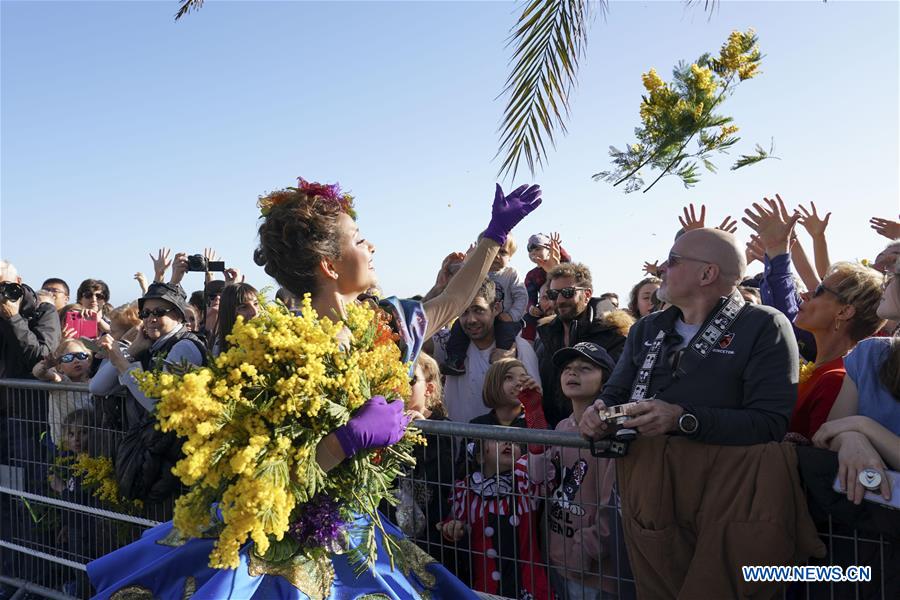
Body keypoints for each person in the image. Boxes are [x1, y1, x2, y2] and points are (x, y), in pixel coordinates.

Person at [86, 178, 541, 599]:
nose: (373, 246)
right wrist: (345, 441)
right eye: (360, 240)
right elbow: (262, 476)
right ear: (329, 264)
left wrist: (493, 235)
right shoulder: (274, 351)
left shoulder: (387, 326)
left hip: (358, 527)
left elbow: (454, 300)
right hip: (286, 543)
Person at [579, 229, 825, 600]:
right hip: (648, 484)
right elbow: (615, 392)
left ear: (707, 274)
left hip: (730, 493)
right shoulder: (648, 326)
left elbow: (770, 423)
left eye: (673, 260)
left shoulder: (764, 325)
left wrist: (682, 418)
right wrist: (597, 415)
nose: (662, 267)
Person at [89, 282, 207, 505]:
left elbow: (160, 405)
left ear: (179, 315)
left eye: (159, 312)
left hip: (177, 460)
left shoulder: (183, 347)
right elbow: (97, 387)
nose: (151, 318)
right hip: (154, 453)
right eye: (146, 313)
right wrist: (132, 351)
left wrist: (123, 364)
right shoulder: (148, 345)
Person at [521, 342, 621, 600]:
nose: (572, 373)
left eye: (585, 368)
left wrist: (582, 552)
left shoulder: (610, 436)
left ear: (605, 381)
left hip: (595, 574)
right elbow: (541, 480)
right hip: (556, 559)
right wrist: (534, 415)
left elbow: (612, 509)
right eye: (567, 368)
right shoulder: (563, 427)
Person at [439, 436, 549, 599]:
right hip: (488, 587)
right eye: (496, 440)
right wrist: (452, 528)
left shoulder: (526, 482)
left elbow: (539, 460)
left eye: (515, 442)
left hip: (529, 585)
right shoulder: (467, 490)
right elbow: (452, 522)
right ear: (480, 456)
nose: (509, 442)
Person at [432, 279, 541, 424]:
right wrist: (438, 289)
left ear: (496, 308)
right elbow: (411, 335)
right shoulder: (449, 344)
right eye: (464, 312)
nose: (471, 319)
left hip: (502, 444)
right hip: (457, 444)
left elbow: (534, 401)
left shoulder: (519, 349)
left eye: (478, 310)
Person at [536, 262, 630, 427]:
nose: (559, 300)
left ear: (587, 295)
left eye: (567, 292)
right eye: (552, 294)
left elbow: (622, 392)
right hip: (554, 436)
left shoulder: (614, 336)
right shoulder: (545, 337)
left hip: (601, 436)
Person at [443, 236, 527, 374]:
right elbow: (462, 279)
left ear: (511, 256)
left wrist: (512, 315)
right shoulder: (479, 271)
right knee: (458, 327)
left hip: (505, 318)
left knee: (505, 334)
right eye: (493, 251)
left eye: (503, 252)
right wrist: (468, 262)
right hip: (483, 316)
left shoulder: (511, 274)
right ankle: (456, 359)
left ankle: (502, 361)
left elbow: (521, 297)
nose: (497, 256)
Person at [32, 338, 94, 449]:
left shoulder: (96, 383)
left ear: (88, 361)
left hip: (90, 445)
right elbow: (38, 373)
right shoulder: (61, 381)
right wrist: (45, 366)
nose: (76, 361)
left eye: (81, 356)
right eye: (68, 358)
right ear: (59, 366)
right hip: (63, 446)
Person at [522, 232, 570, 341]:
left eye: (538, 249)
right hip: (544, 307)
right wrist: (531, 307)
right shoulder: (532, 275)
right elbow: (530, 295)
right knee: (528, 319)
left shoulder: (560, 265)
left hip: (562, 304)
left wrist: (558, 248)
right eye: (530, 250)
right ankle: (529, 343)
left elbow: (568, 261)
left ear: (549, 250)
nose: (533, 252)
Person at [470, 358, 530, 427]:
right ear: (493, 385)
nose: (519, 383)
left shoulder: (535, 423)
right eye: (509, 377)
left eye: (523, 378)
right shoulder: (477, 425)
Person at [214, 282, 260, 355]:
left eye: (256, 304)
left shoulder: (267, 340)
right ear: (229, 312)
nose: (254, 312)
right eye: (244, 307)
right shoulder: (219, 348)